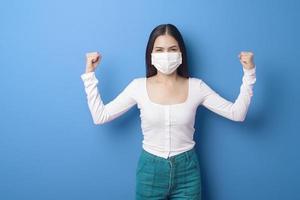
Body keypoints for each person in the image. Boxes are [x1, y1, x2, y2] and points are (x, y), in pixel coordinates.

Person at [80, 24, 256, 200]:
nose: (166, 55)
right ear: (151, 54)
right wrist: (89, 75)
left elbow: (237, 113)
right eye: (159, 50)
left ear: (181, 54)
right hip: (150, 171)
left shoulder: (197, 87)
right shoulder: (138, 87)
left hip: (188, 172)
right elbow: (100, 116)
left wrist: (249, 73)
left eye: (172, 49)